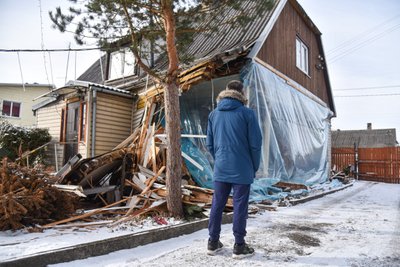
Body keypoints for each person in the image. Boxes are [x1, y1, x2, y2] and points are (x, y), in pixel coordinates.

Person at [206, 80, 262, 258]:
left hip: (221, 167)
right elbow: (255, 144)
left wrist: (220, 159)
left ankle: (212, 242)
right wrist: (254, 166)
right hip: (242, 168)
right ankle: (239, 246)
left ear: (226, 91)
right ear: (241, 93)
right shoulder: (247, 114)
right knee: (240, 206)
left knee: (217, 204)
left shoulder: (214, 114)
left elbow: (210, 144)